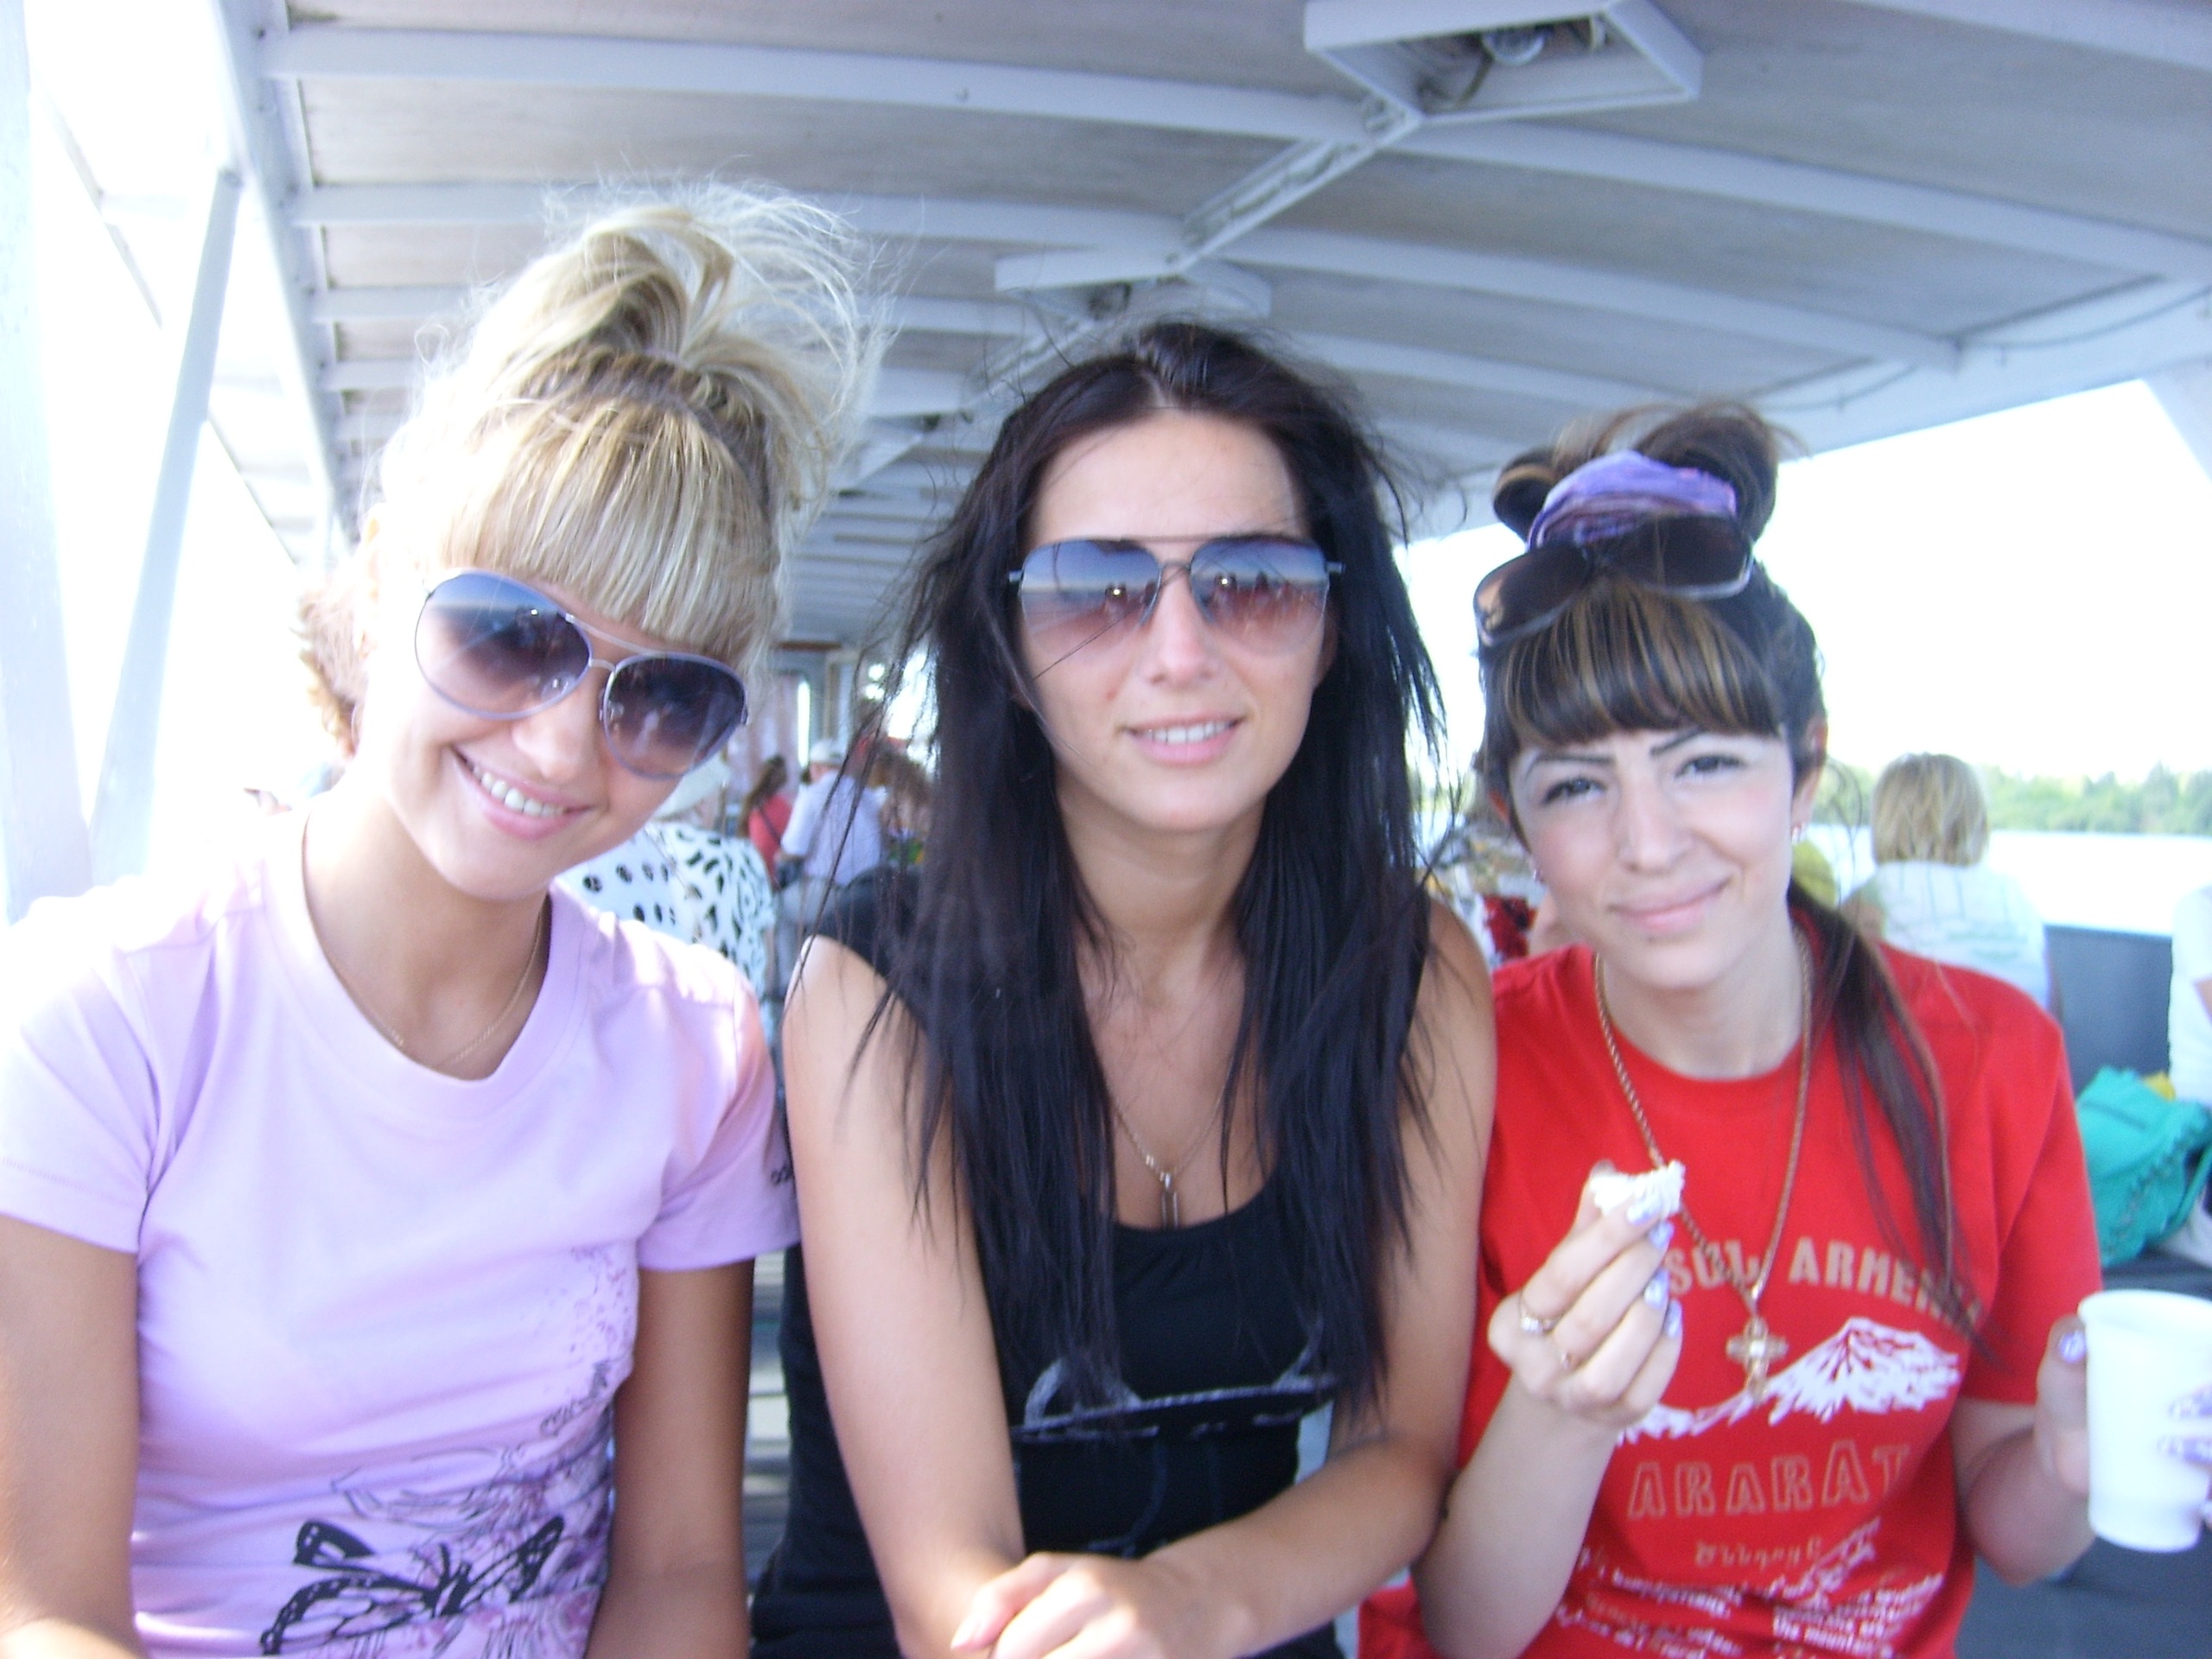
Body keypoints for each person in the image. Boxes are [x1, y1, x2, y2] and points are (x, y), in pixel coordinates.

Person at [0, 188, 878, 1656]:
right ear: (379, 590)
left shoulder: (693, 1047)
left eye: (661, 698)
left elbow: (677, 1571)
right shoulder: (104, 1016)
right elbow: (43, 1610)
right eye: (509, 635)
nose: (562, 747)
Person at [752, 321, 1493, 1659]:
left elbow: (1399, 1452)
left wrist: (1189, 1604)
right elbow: (948, 1591)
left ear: (1332, 627)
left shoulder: (1408, 973)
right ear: (1008, 648)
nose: (1179, 651)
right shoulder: (878, 988)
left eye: (1255, 583)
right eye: (1096, 589)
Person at [1363, 407, 2102, 1659]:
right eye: (1576, 785)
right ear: (1512, 822)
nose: (1649, 844)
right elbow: (1465, 1627)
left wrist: (2079, 1459)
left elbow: (2020, 1533)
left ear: (1805, 767)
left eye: (1704, 763)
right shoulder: (1461, 1069)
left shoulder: (1994, 1061)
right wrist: (1562, 1412)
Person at [1846, 752, 2050, 1007]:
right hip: (2021, 1031)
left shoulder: (1875, 895)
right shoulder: (2014, 897)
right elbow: (2052, 1007)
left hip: (1923, 1032)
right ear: (1978, 823)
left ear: (1884, 821)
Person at [563, 758, 779, 997]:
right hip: (737, 1013)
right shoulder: (742, 858)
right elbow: (768, 962)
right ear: (701, 804)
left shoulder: (612, 854)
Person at [741, 753, 795, 868]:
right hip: (773, 870)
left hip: (752, 866)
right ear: (784, 778)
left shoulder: (752, 803)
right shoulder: (785, 807)